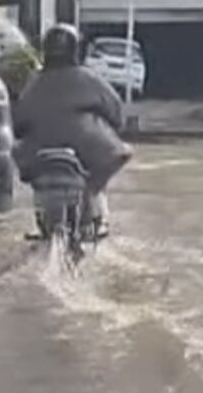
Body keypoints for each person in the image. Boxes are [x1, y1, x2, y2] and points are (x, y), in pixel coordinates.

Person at [12, 24, 132, 237]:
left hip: (38, 154)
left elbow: (18, 124)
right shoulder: (89, 78)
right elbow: (116, 113)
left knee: (32, 173)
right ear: (76, 50)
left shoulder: (33, 83)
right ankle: (93, 202)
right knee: (114, 161)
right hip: (91, 152)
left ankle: (43, 219)